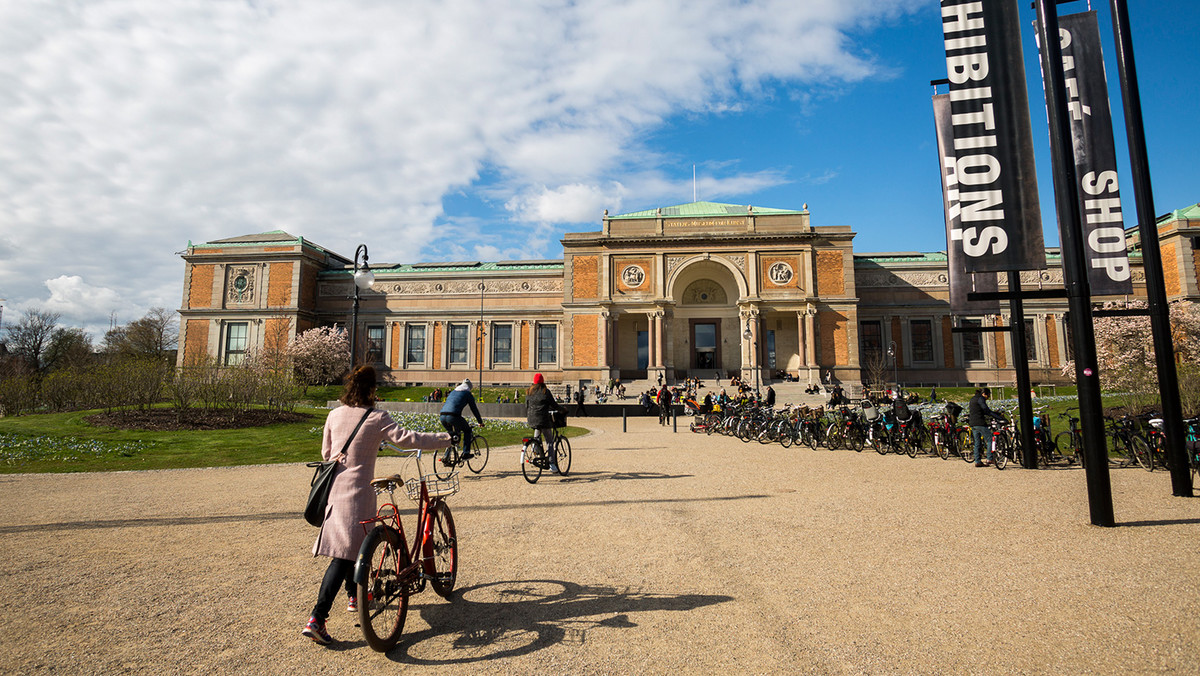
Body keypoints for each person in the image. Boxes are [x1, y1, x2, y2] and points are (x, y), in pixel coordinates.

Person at [303, 366, 451, 645]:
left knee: (351, 548)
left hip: (334, 490)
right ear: (372, 390)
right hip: (358, 494)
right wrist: (445, 439)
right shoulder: (377, 417)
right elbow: (409, 439)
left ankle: (353, 597)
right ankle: (317, 617)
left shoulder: (334, 415)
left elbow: (326, 452)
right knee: (343, 555)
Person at [439, 378, 484, 466]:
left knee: (453, 435)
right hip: (453, 416)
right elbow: (474, 409)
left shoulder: (453, 392)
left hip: (442, 416)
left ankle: (447, 456)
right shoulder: (467, 393)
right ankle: (466, 453)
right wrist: (480, 421)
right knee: (467, 431)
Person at [525, 373, 565, 473]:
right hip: (543, 419)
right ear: (542, 382)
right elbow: (554, 405)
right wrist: (563, 410)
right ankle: (552, 464)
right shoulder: (545, 392)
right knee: (549, 441)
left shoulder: (529, 392)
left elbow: (526, 405)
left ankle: (535, 446)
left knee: (537, 431)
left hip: (531, 419)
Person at [968, 387, 1004, 467]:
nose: (987, 398)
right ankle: (989, 458)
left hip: (972, 423)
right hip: (980, 422)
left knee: (977, 442)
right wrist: (998, 416)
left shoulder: (973, 399)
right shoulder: (981, 399)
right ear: (984, 394)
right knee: (990, 439)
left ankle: (977, 461)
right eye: (988, 396)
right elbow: (985, 410)